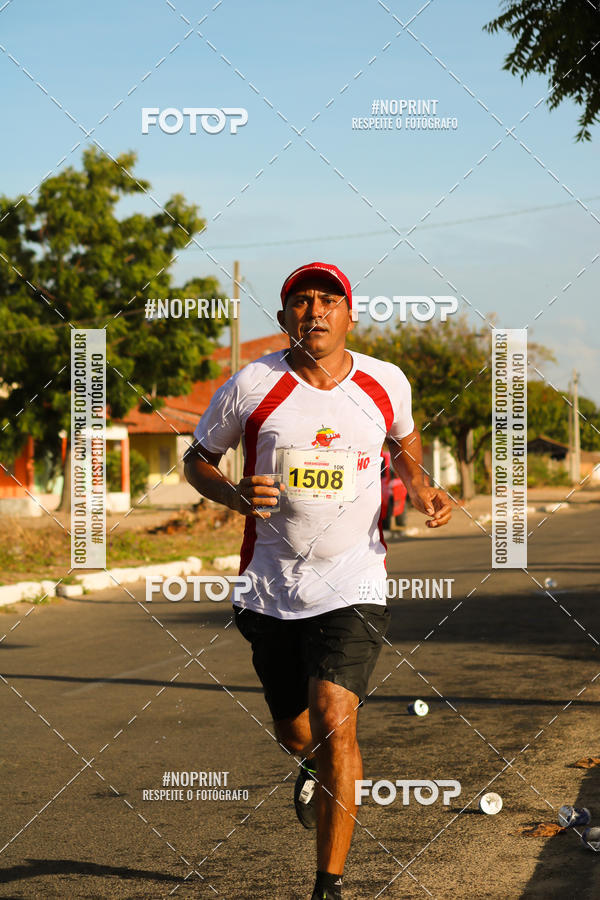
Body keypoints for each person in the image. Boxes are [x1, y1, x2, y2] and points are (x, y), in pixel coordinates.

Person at [183, 261, 452, 900]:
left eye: (329, 300)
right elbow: (197, 461)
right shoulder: (253, 384)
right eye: (301, 301)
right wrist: (234, 494)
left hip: (354, 582)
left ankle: (328, 885)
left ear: (349, 315)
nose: (315, 310)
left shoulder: (385, 381)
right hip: (269, 587)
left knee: (336, 720)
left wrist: (419, 486)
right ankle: (309, 762)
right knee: (296, 731)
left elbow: (403, 442)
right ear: (284, 318)